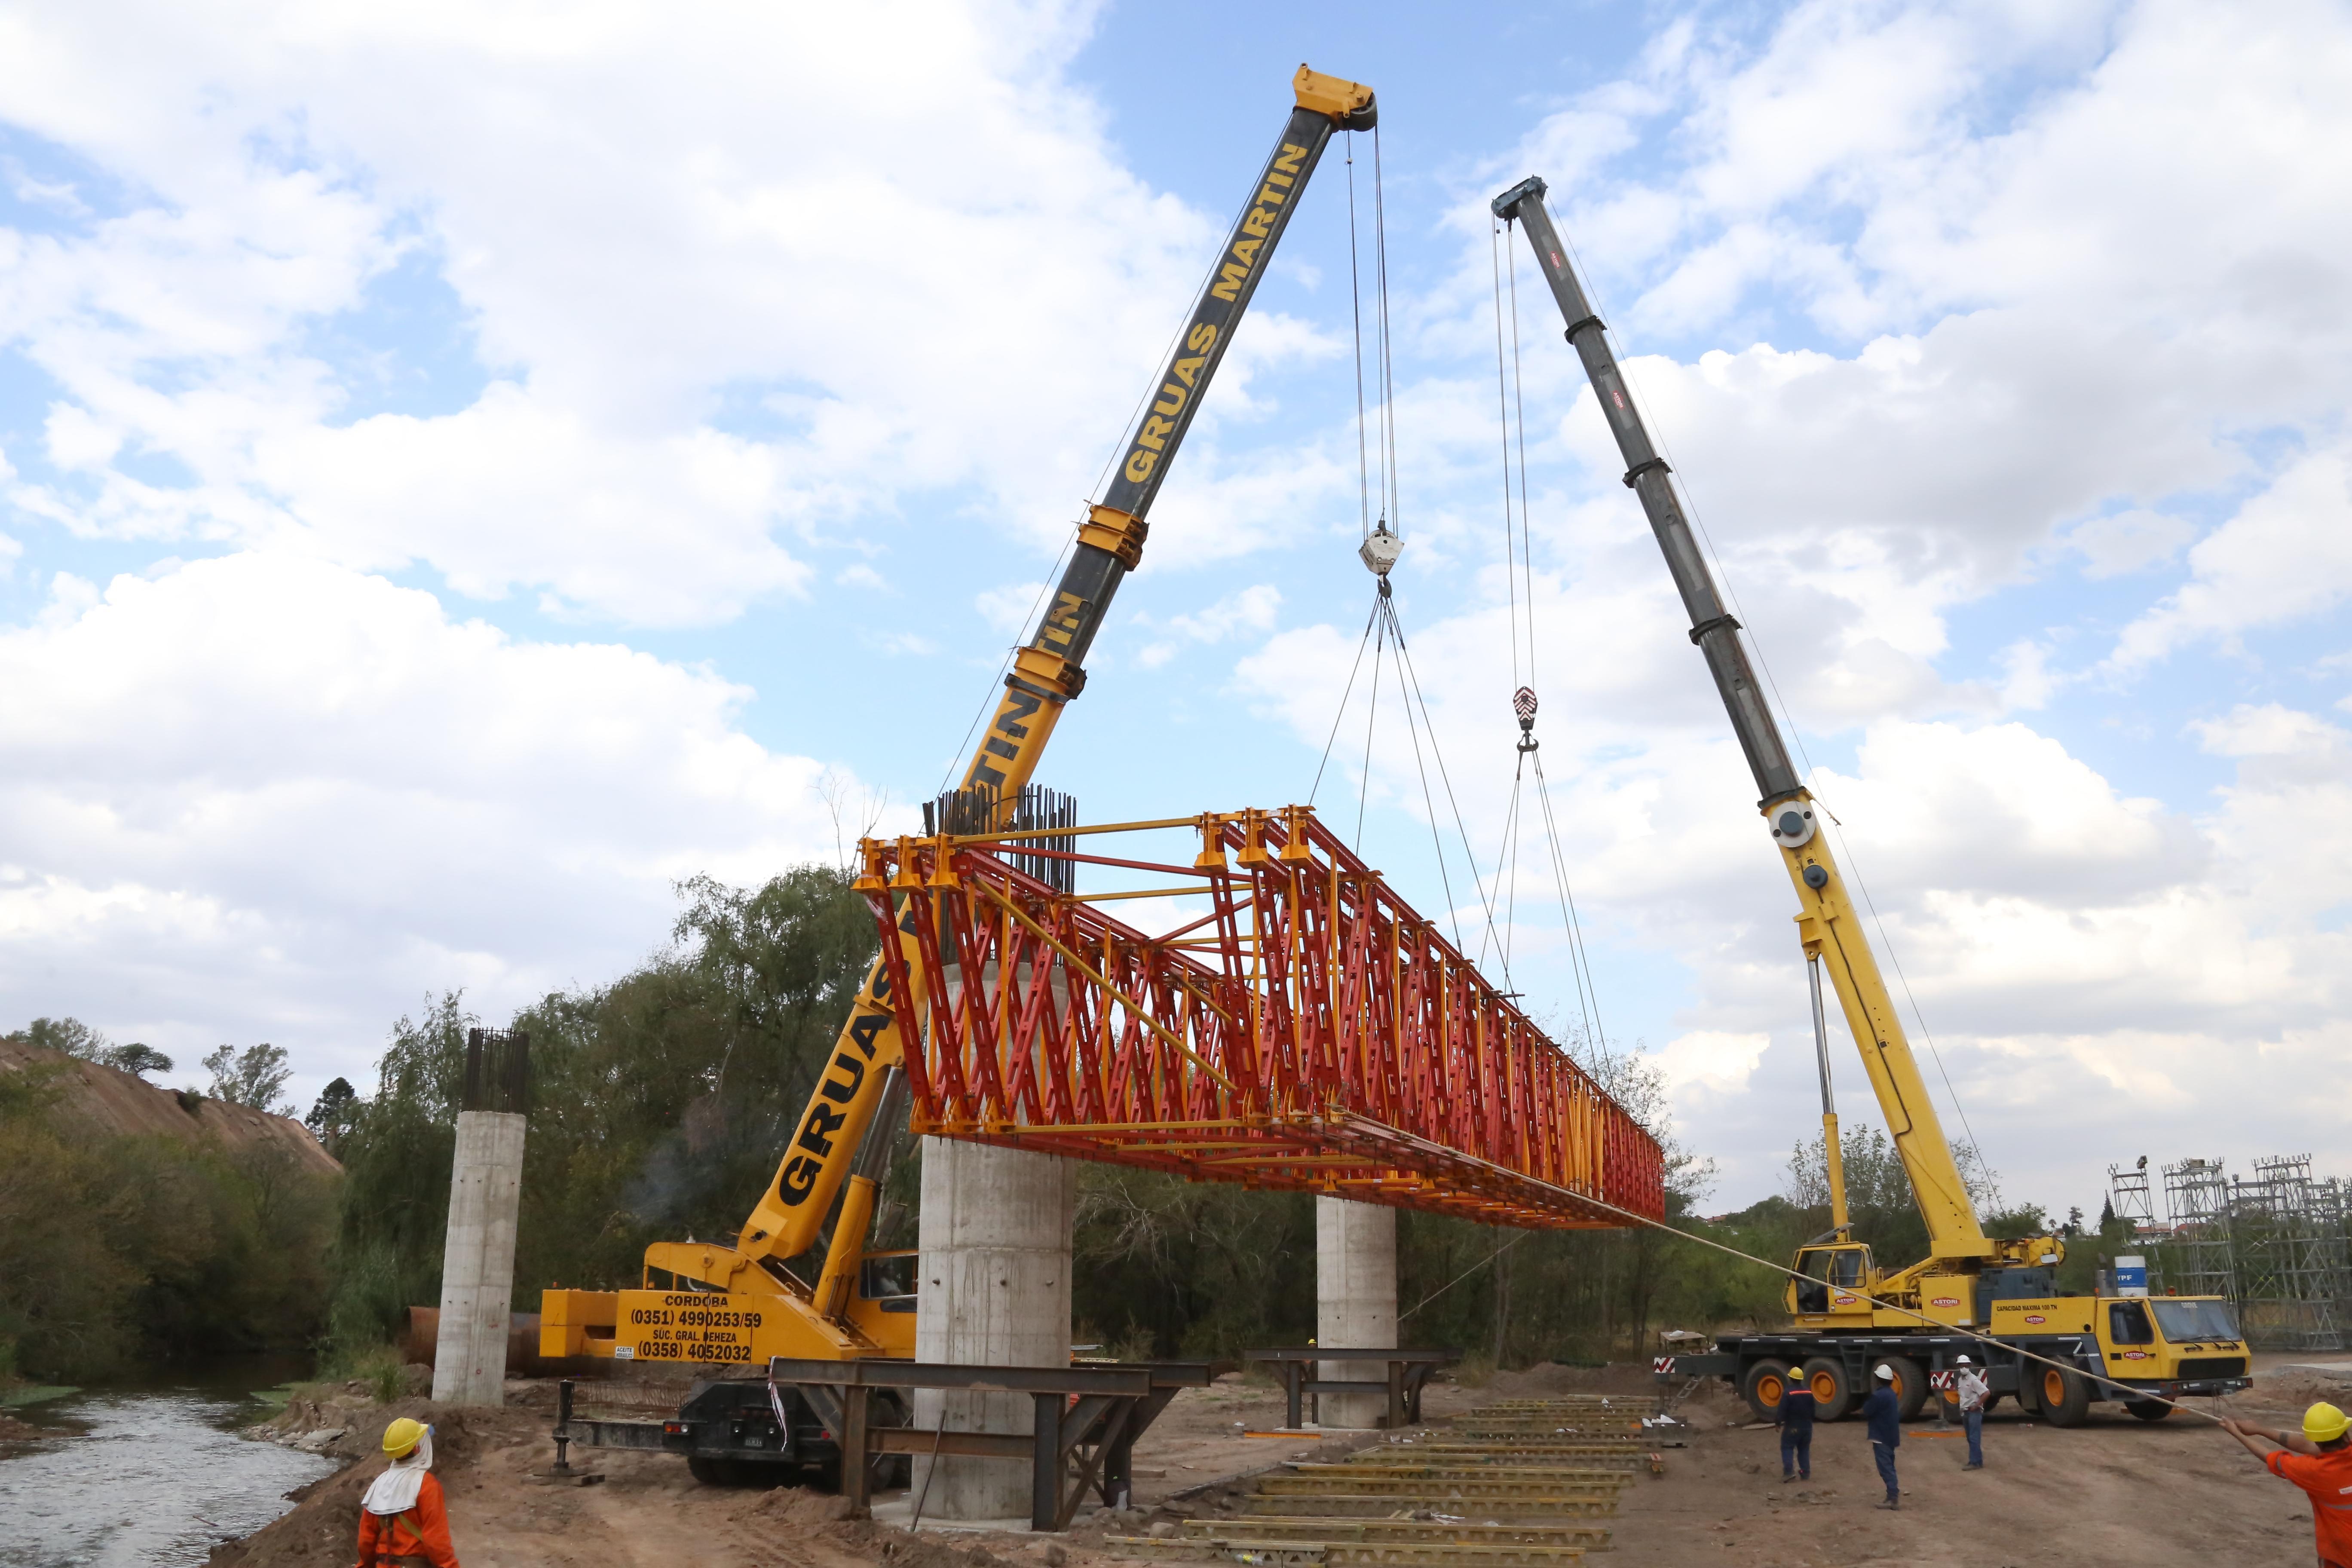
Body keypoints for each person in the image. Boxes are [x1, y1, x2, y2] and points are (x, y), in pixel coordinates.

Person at [2220, 1402, 2352, 1568]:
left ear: (2315, 1439)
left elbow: (2270, 1458)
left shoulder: (2313, 1471)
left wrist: (2237, 1433)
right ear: (2345, 1432)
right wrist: (2259, 1430)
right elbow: (2307, 1446)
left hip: (2341, 1554)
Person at [354, 1417, 462, 1568]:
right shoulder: (427, 1485)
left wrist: (365, 1565)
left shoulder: (379, 1485)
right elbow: (436, 1541)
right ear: (418, 1448)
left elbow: (366, 1541)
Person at [1860, 1363, 1902, 1510]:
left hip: (1880, 1436)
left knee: (1885, 1467)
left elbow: (1867, 1411)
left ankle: (1893, 1498)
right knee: (1889, 1465)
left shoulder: (1878, 1395)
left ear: (1878, 1379)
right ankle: (1892, 1496)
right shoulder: (1891, 1394)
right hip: (1890, 1436)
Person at [1776, 1374, 1817, 1482]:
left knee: (1787, 1447)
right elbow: (1813, 1410)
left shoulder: (1788, 1393)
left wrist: (1778, 1423)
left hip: (1793, 1427)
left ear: (1790, 1379)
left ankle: (1789, 1473)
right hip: (1807, 1427)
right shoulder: (1809, 1392)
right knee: (1804, 1449)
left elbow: (1782, 1410)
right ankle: (1805, 1473)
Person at [1952, 1355, 1990, 1470]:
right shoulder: (1960, 1380)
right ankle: (1978, 1461)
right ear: (1959, 1366)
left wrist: (1977, 1406)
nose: (1964, 1368)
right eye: (1962, 1366)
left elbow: (1986, 1393)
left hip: (1974, 1412)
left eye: (1966, 1366)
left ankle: (1974, 1462)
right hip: (1966, 1412)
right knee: (1970, 1438)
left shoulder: (1973, 1379)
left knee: (1974, 1438)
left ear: (1969, 1366)